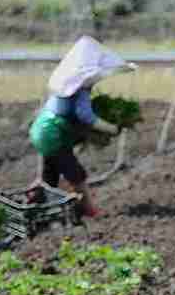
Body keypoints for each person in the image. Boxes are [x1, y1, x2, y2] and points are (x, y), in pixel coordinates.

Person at [28, 35, 137, 218]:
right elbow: (86, 116)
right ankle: (89, 209)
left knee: (50, 175)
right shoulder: (79, 90)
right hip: (53, 134)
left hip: (42, 130)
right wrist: (110, 128)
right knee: (77, 174)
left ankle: (36, 203)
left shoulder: (65, 86)